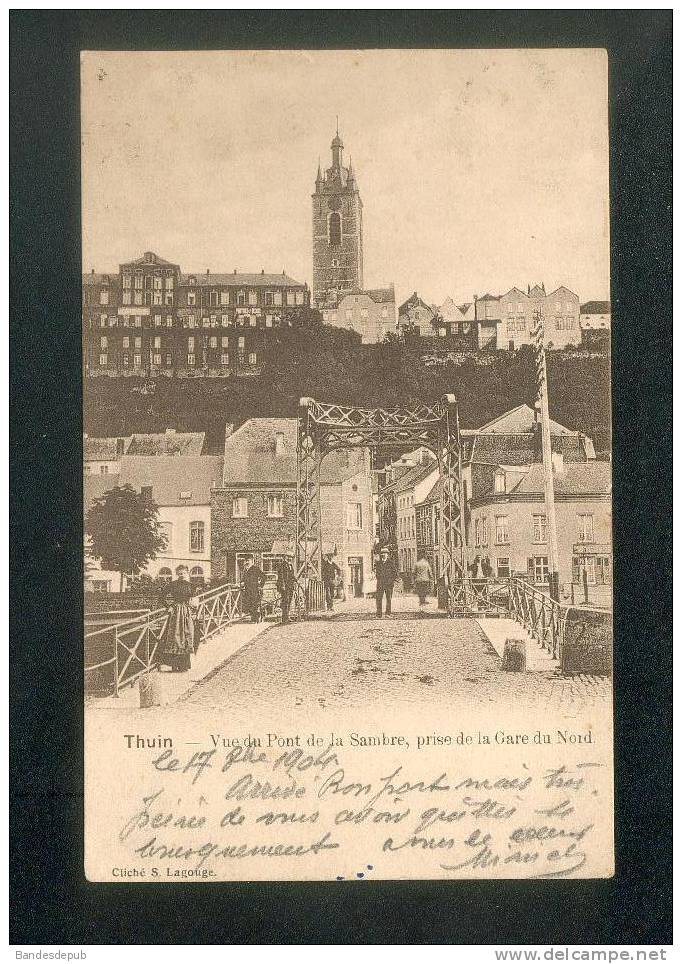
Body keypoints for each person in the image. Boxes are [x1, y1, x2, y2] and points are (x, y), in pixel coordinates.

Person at [158, 565, 195, 672]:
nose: (181, 575)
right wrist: (168, 606)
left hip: (186, 612)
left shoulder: (191, 585)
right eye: (179, 573)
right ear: (177, 574)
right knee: (175, 637)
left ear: (187, 573)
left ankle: (184, 665)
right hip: (176, 612)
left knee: (187, 635)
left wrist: (193, 610)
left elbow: (194, 599)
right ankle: (174, 665)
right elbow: (161, 596)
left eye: (183, 573)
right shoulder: (173, 584)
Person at [241, 556, 265, 623]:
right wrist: (241, 583)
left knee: (254, 604)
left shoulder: (255, 569)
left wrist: (261, 585)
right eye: (246, 561)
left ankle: (255, 619)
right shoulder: (245, 569)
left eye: (248, 560)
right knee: (249, 604)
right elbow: (243, 579)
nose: (247, 562)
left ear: (252, 561)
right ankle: (254, 618)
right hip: (247, 590)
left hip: (254, 590)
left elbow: (263, 576)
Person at [375, 547, 398, 617]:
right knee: (379, 599)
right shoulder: (378, 563)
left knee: (388, 599)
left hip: (389, 584)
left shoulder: (391, 563)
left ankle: (388, 613)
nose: (384, 555)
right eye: (382, 553)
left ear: (387, 555)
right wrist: (379, 579)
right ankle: (379, 614)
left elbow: (395, 573)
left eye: (385, 553)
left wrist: (391, 581)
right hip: (380, 584)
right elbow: (377, 573)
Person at [277, 552, 296, 625]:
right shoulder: (282, 565)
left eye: (291, 557)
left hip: (290, 586)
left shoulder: (290, 565)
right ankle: (284, 618)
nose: (290, 558)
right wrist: (283, 586)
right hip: (284, 587)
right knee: (285, 601)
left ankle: (287, 616)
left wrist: (296, 580)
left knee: (289, 601)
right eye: (288, 557)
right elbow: (281, 576)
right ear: (285, 557)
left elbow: (292, 575)